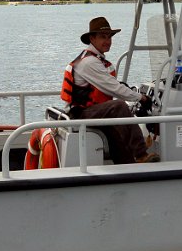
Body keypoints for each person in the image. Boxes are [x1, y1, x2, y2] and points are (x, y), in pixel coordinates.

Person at [61, 16, 158, 163]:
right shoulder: (89, 62)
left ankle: (128, 167)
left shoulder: (95, 60)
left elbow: (111, 86)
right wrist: (142, 98)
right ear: (92, 38)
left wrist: (131, 95)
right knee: (118, 106)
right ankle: (141, 154)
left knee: (116, 132)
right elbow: (114, 88)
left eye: (109, 37)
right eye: (102, 37)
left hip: (91, 111)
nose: (108, 41)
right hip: (80, 114)